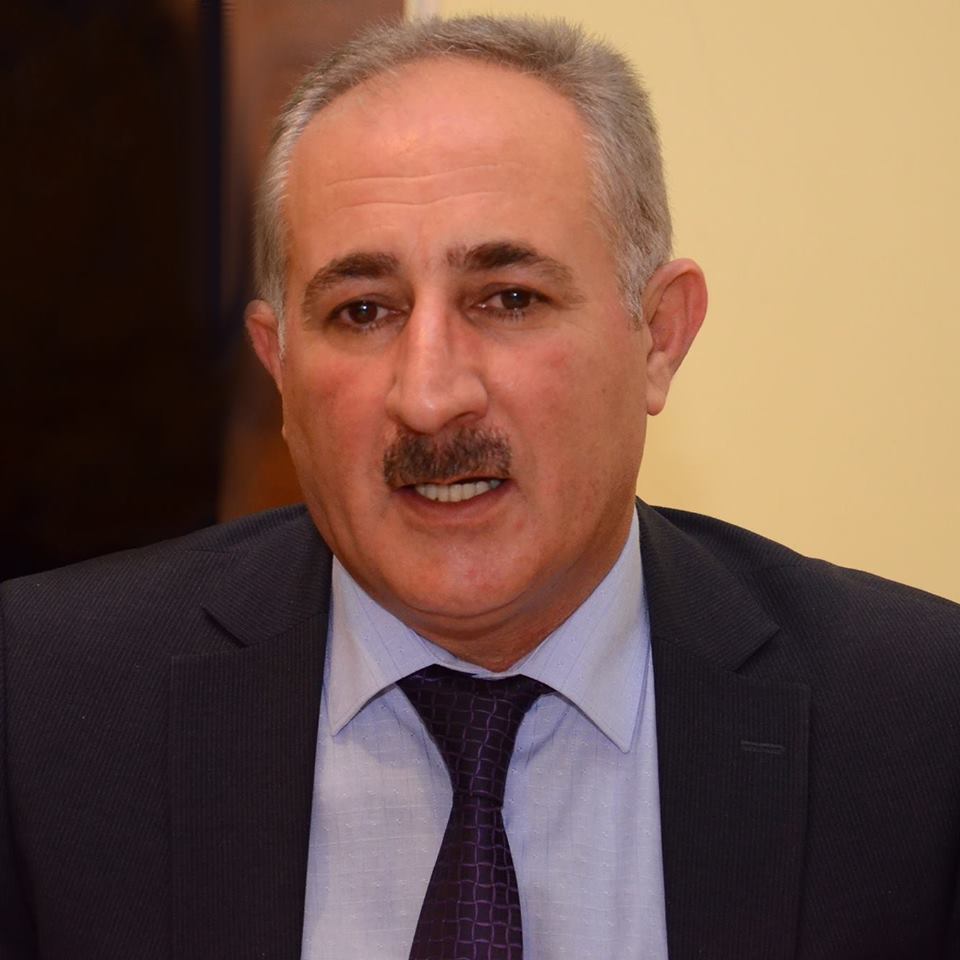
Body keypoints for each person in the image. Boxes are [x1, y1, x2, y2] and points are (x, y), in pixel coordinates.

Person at [1, 16, 958, 960]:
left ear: (659, 336)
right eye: (363, 311)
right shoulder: (41, 711)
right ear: (279, 367)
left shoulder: (919, 729)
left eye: (509, 299)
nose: (429, 398)